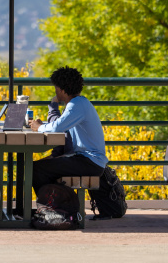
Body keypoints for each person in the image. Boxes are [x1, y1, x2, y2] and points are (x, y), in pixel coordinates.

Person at [28, 66, 108, 195]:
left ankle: (49, 207)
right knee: (41, 167)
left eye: (56, 88)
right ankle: (53, 205)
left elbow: (56, 127)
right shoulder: (80, 103)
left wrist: (39, 127)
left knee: (37, 169)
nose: (55, 92)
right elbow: (60, 125)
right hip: (86, 160)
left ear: (62, 90)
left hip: (90, 162)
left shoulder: (76, 105)